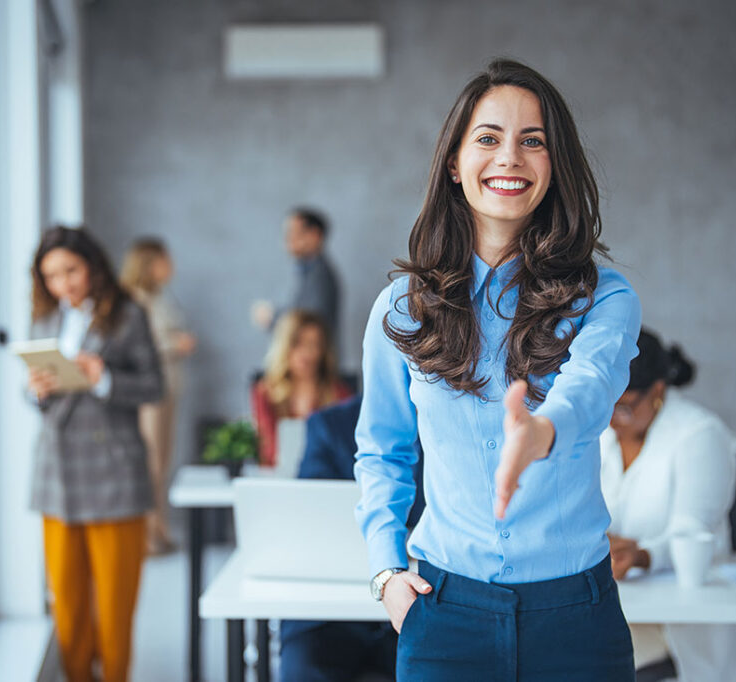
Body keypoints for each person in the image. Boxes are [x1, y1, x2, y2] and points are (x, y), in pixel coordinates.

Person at [354, 58, 642, 680]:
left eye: (532, 141)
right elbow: (382, 451)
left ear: (555, 166)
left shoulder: (607, 297)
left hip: (576, 619)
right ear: (455, 165)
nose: (509, 157)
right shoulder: (401, 309)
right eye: (488, 138)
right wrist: (385, 574)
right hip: (442, 613)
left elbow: (590, 388)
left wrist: (543, 430)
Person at [26, 226, 163, 682]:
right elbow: (38, 394)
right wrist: (37, 390)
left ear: (92, 267)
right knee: (66, 602)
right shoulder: (45, 318)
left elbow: (154, 386)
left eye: (70, 270)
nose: (62, 284)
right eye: (50, 276)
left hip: (115, 474)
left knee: (115, 605)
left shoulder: (128, 315)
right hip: (57, 471)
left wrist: (103, 377)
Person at [600, 328, 736, 682]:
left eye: (623, 407)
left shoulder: (699, 434)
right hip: (619, 605)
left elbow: (692, 533)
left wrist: (641, 555)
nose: (612, 419)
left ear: (657, 392)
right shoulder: (603, 434)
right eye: (605, 405)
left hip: (680, 619)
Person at [280, 395, 425, 682]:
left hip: (419, 605)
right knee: (303, 666)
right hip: (329, 613)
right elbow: (311, 514)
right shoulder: (329, 424)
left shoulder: (447, 424)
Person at [120, 238, 196, 554]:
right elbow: (137, 347)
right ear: (151, 263)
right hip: (148, 393)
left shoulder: (160, 297)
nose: (172, 266)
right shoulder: (135, 301)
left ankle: (158, 529)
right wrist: (174, 345)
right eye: (167, 259)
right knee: (149, 463)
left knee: (162, 462)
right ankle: (146, 536)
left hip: (167, 388)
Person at [251, 310, 352, 467]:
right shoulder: (265, 392)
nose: (307, 353)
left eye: (314, 345)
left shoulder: (340, 394)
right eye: (298, 343)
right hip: (278, 481)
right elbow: (268, 450)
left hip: (325, 482)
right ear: (285, 346)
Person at [251, 207, 340, 341]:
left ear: (314, 235)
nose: (287, 239)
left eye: (293, 232)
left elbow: (309, 323)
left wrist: (273, 317)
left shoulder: (320, 276)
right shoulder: (308, 271)